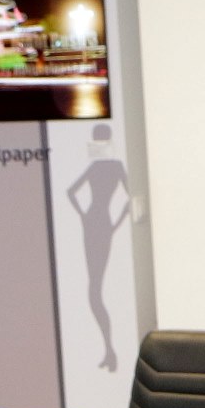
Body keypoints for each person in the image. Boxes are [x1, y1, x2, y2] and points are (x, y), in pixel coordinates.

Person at [67, 124, 131, 372]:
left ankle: (110, 350)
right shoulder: (113, 167)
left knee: (95, 290)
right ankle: (109, 350)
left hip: (96, 223)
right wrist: (114, 224)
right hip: (100, 223)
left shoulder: (102, 167)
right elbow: (71, 192)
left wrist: (85, 216)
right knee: (94, 290)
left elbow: (71, 192)